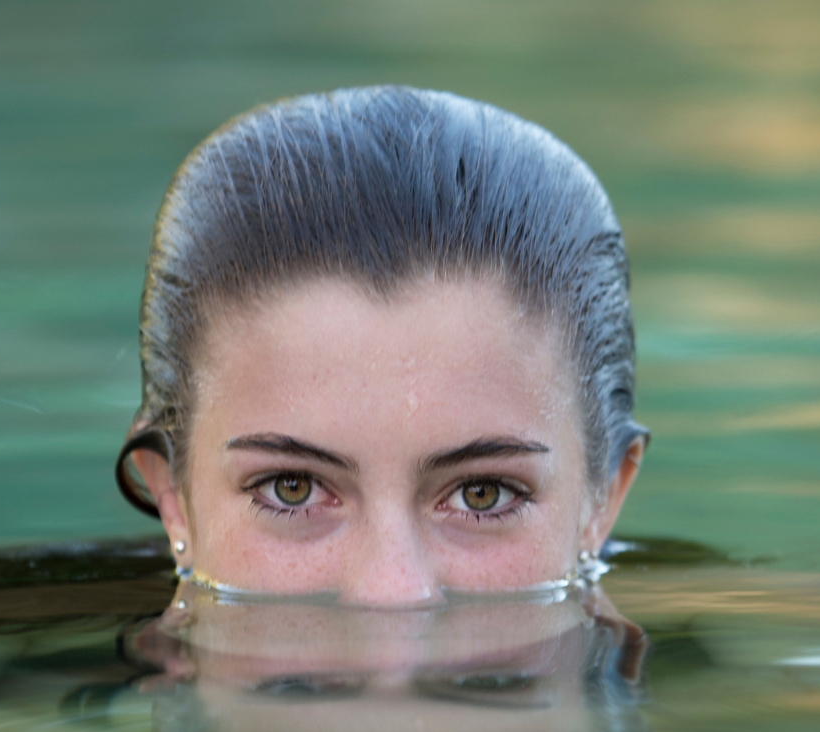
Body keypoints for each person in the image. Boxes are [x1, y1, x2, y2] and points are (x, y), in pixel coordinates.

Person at [114, 86, 648, 604]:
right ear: (173, 498)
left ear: (602, 500)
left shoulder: (710, 680)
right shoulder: (36, 673)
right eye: (292, 487)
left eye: (483, 494)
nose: (392, 594)